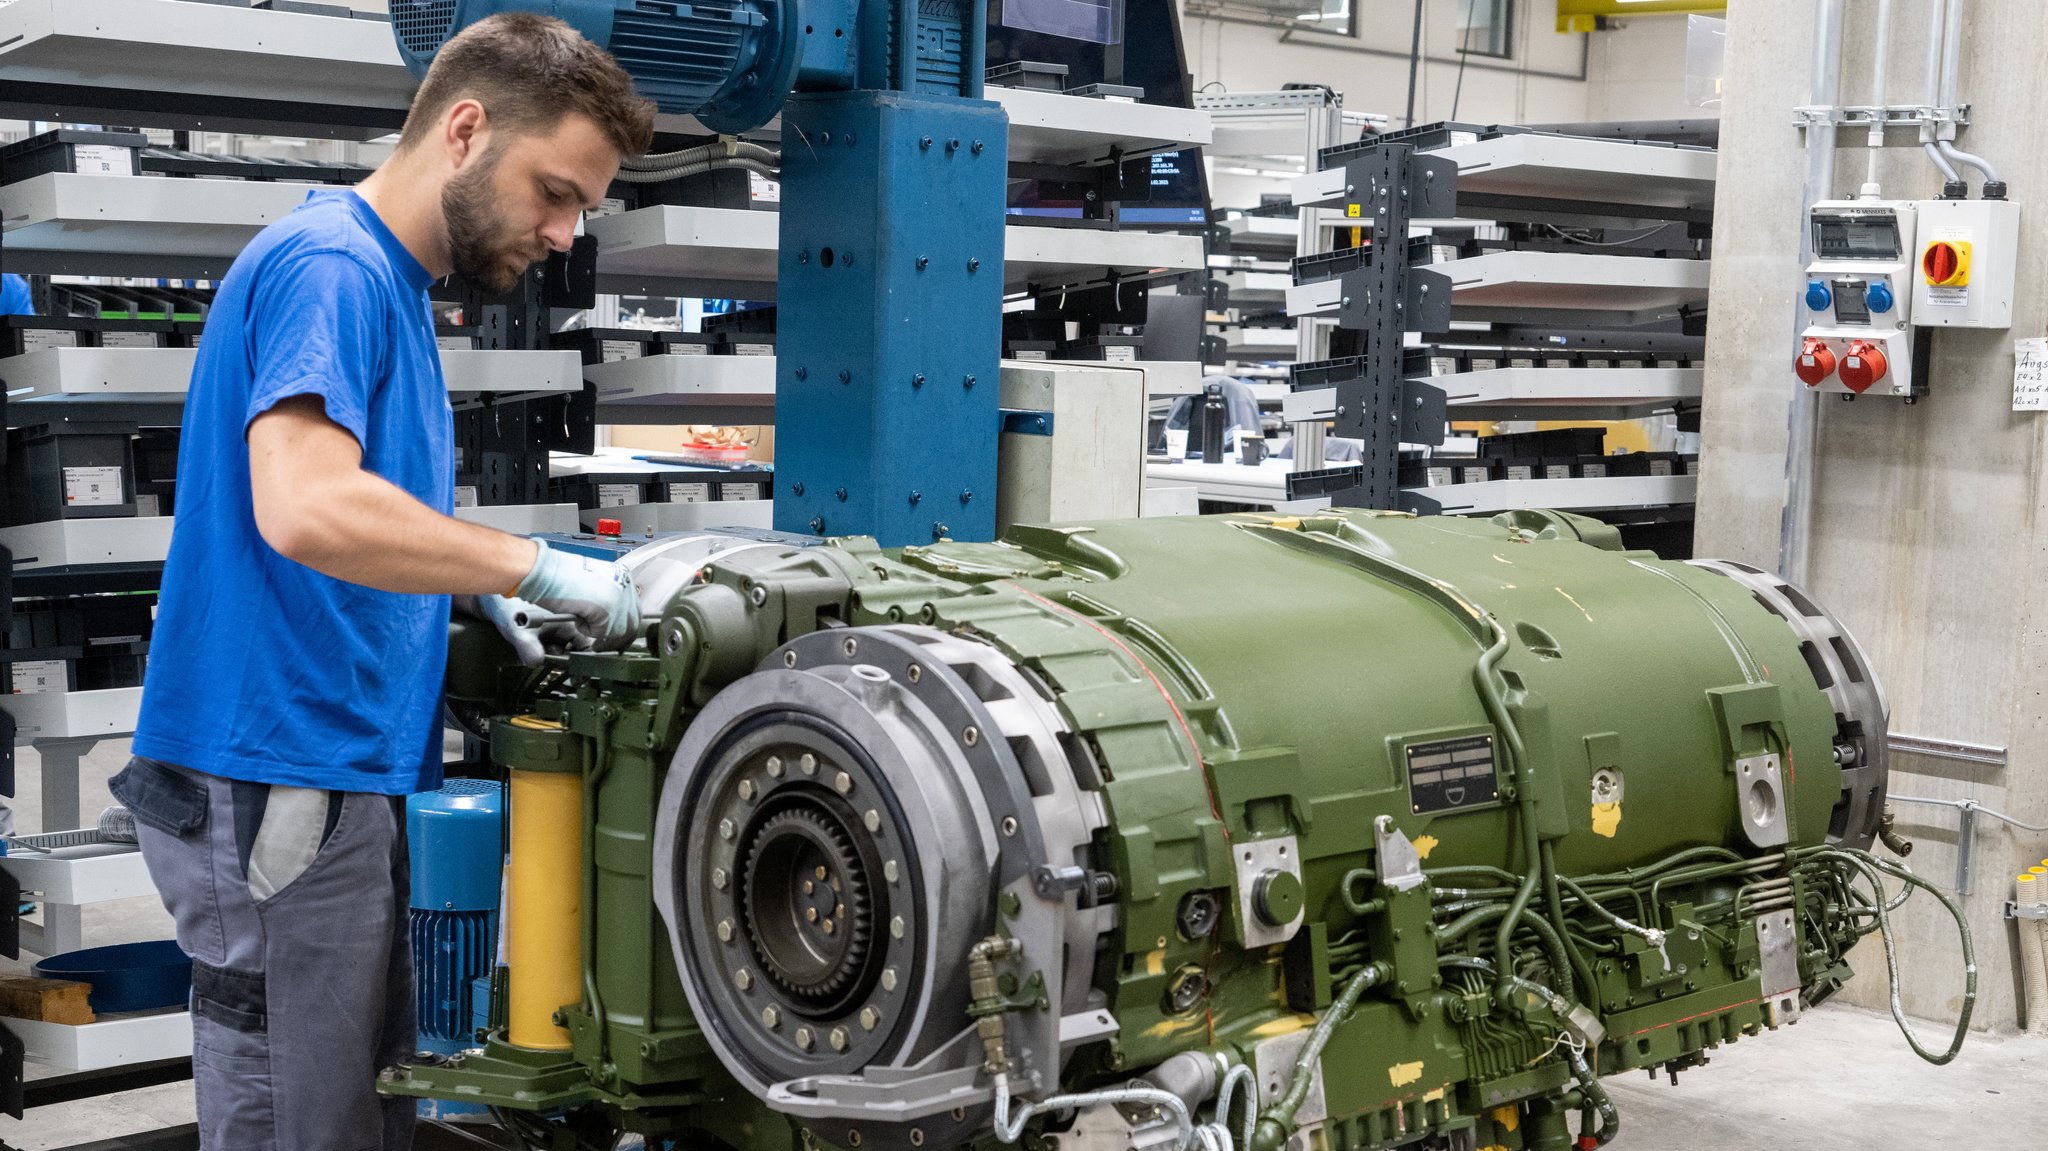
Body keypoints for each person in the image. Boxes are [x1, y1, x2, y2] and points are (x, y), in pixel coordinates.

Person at [107, 15, 655, 1148]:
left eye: (582, 210)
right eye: (554, 191)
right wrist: (533, 564)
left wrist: (462, 586)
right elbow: (305, 505)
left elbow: (362, 510)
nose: (562, 231)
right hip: (278, 769)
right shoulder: (333, 268)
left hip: (332, 762)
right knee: (296, 1115)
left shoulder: (392, 281)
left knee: (355, 1105)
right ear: (464, 129)